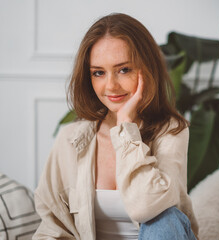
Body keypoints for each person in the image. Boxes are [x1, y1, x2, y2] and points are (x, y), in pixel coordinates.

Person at [33, 13, 199, 240]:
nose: (110, 85)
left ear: (147, 70)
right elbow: (52, 227)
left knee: (163, 218)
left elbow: (148, 207)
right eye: (98, 73)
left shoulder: (171, 131)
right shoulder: (70, 139)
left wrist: (125, 130)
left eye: (124, 70)